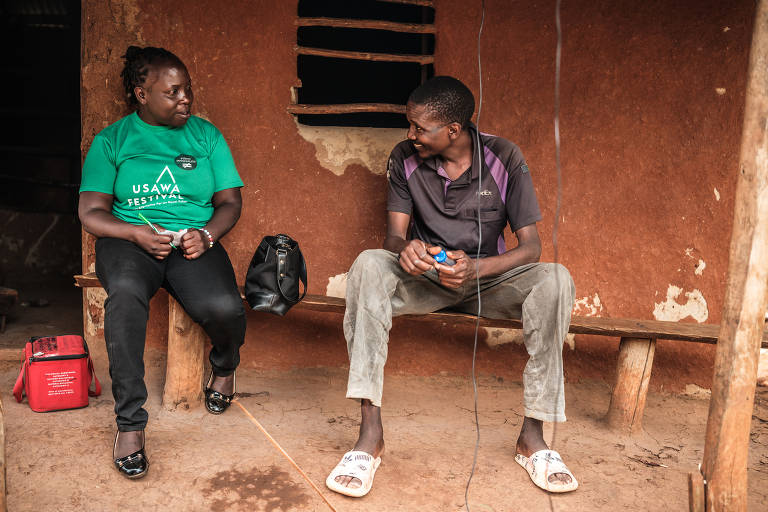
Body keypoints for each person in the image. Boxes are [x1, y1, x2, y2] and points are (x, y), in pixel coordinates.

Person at [325, 76, 578, 497]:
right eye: (410, 125)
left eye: (419, 128)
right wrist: (407, 250)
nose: (410, 134)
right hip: (426, 280)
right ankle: (370, 436)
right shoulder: (404, 158)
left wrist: (477, 269)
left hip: (489, 281)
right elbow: (393, 237)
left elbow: (531, 248)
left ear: (453, 130)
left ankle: (533, 437)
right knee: (369, 263)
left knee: (557, 279)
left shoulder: (505, 157)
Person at [78, 46, 246, 479]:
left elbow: (230, 201)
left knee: (224, 308)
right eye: (173, 92)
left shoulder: (206, 136)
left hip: (193, 242)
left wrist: (206, 235)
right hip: (130, 243)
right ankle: (130, 424)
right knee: (125, 299)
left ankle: (225, 365)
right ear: (141, 94)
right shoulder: (113, 140)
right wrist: (134, 232)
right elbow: (90, 212)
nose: (185, 99)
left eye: (187, 89)